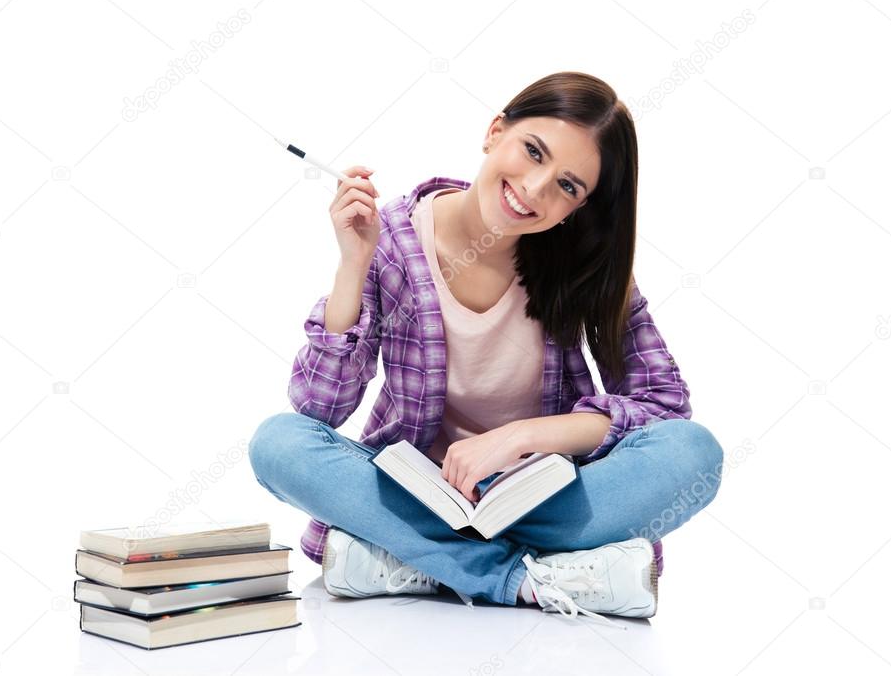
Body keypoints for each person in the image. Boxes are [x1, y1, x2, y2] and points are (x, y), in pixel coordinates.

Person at [248, 71, 724, 626]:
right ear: (495, 131)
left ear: (579, 207)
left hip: (545, 499)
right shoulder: (393, 240)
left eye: (568, 187)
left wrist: (521, 437)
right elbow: (317, 408)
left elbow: (663, 407)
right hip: (419, 494)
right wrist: (353, 263)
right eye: (533, 151)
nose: (535, 188)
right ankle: (526, 578)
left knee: (696, 453)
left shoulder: (582, 266)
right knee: (278, 444)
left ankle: (422, 559)